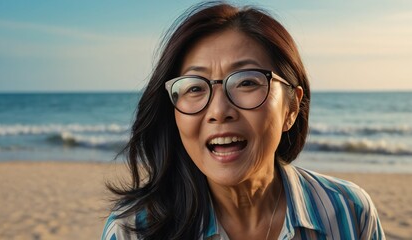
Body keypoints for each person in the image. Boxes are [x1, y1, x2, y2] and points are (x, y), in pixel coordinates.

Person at [102, 2, 385, 240]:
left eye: (247, 82)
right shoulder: (132, 231)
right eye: (195, 87)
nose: (218, 110)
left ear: (292, 108)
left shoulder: (349, 213)